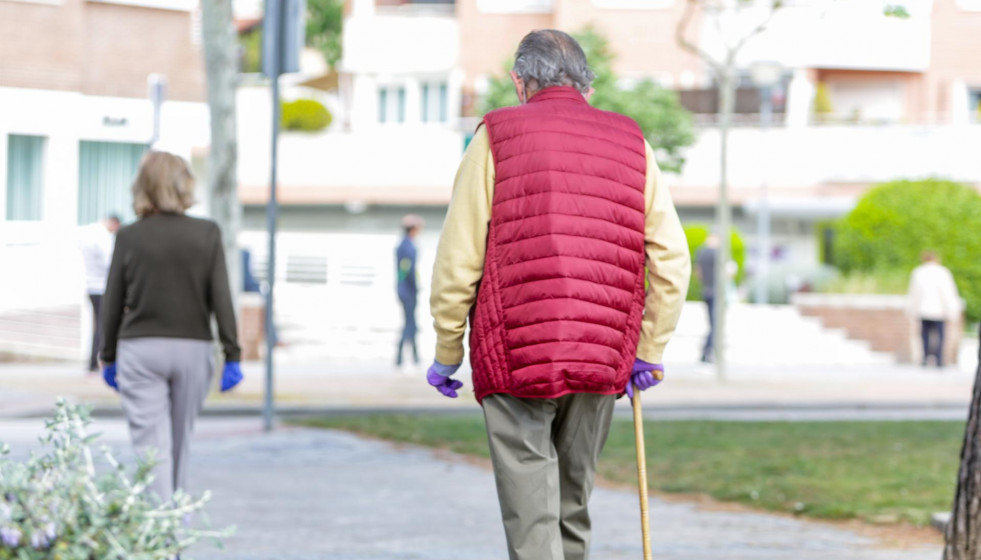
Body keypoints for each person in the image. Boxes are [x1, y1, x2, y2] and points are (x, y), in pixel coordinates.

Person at [425, 30, 690, 560]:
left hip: (518, 353)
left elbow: (459, 259)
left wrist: (446, 351)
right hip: (600, 352)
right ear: (586, 85)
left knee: (532, 513)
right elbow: (671, 258)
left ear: (519, 82)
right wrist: (649, 349)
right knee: (573, 503)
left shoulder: (495, 135)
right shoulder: (631, 140)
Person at [100, 151, 243, 504]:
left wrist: (107, 356)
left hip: (140, 350)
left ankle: (161, 539)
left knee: (151, 448)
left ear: (142, 187)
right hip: (193, 350)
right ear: (184, 185)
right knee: (179, 445)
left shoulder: (130, 236)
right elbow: (221, 298)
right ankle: (174, 535)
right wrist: (232, 354)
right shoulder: (207, 233)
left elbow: (113, 300)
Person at [78, 215, 120, 373]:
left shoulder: (88, 235)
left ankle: (93, 362)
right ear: (114, 223)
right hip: (102, 287)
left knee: (98, 326)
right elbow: (110, 262)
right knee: (103, 326)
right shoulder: (102, 237)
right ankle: (100, 361)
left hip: (91, 287)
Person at [908, 251, 961, 367]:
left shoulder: (918, 272)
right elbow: (948, 293)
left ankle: (925, 358)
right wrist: (952, 310)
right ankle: (939, 359)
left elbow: (913, 294)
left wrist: (912, 310)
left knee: (924, 336)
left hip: (923, 310)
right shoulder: (943, 272)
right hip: (939, 311)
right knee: (940, 336)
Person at [396, 214, 424, 369]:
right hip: (408, 291)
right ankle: (400, 356)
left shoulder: (403, 244)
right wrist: (415, 287)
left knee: (411, 322)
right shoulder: (408, 246)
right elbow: (408, 270)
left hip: (405, 289)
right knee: (409, 323)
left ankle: (415, 356)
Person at [695, 233, 719, 363]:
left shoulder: (701, 253)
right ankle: (707, 351)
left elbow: (698, 273)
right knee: (715, 324)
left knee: (711, 323)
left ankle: (707, 351)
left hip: (706, 290)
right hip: (716, 292)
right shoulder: (718, 254)